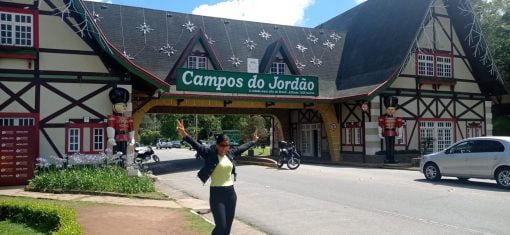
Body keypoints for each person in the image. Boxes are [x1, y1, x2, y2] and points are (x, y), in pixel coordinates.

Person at [176, 120, 258, 235]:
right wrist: (184, 134)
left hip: (231, 194)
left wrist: (253, 141)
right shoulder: (210, 154)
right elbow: (197, 146)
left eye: (227, 146)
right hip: (217, 194)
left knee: (227, 228)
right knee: (221, 226)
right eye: (222, 146)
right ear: (217, 145)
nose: (225, 148)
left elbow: (242, 148)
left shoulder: (230, 153)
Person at [378, 96, 403, 164]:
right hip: (386, 132)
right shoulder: (383, 118)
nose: (390, 111)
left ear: (394, 110)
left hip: (393, 132)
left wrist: (400, 134)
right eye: (389, 109)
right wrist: (380, 133)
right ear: (386, 110)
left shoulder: (397, 118)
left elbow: (400, 126)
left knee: (392, 146)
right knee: (387, 146)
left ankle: (392, 158)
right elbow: (380, 125)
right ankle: (387, 158)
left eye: (392, 109)